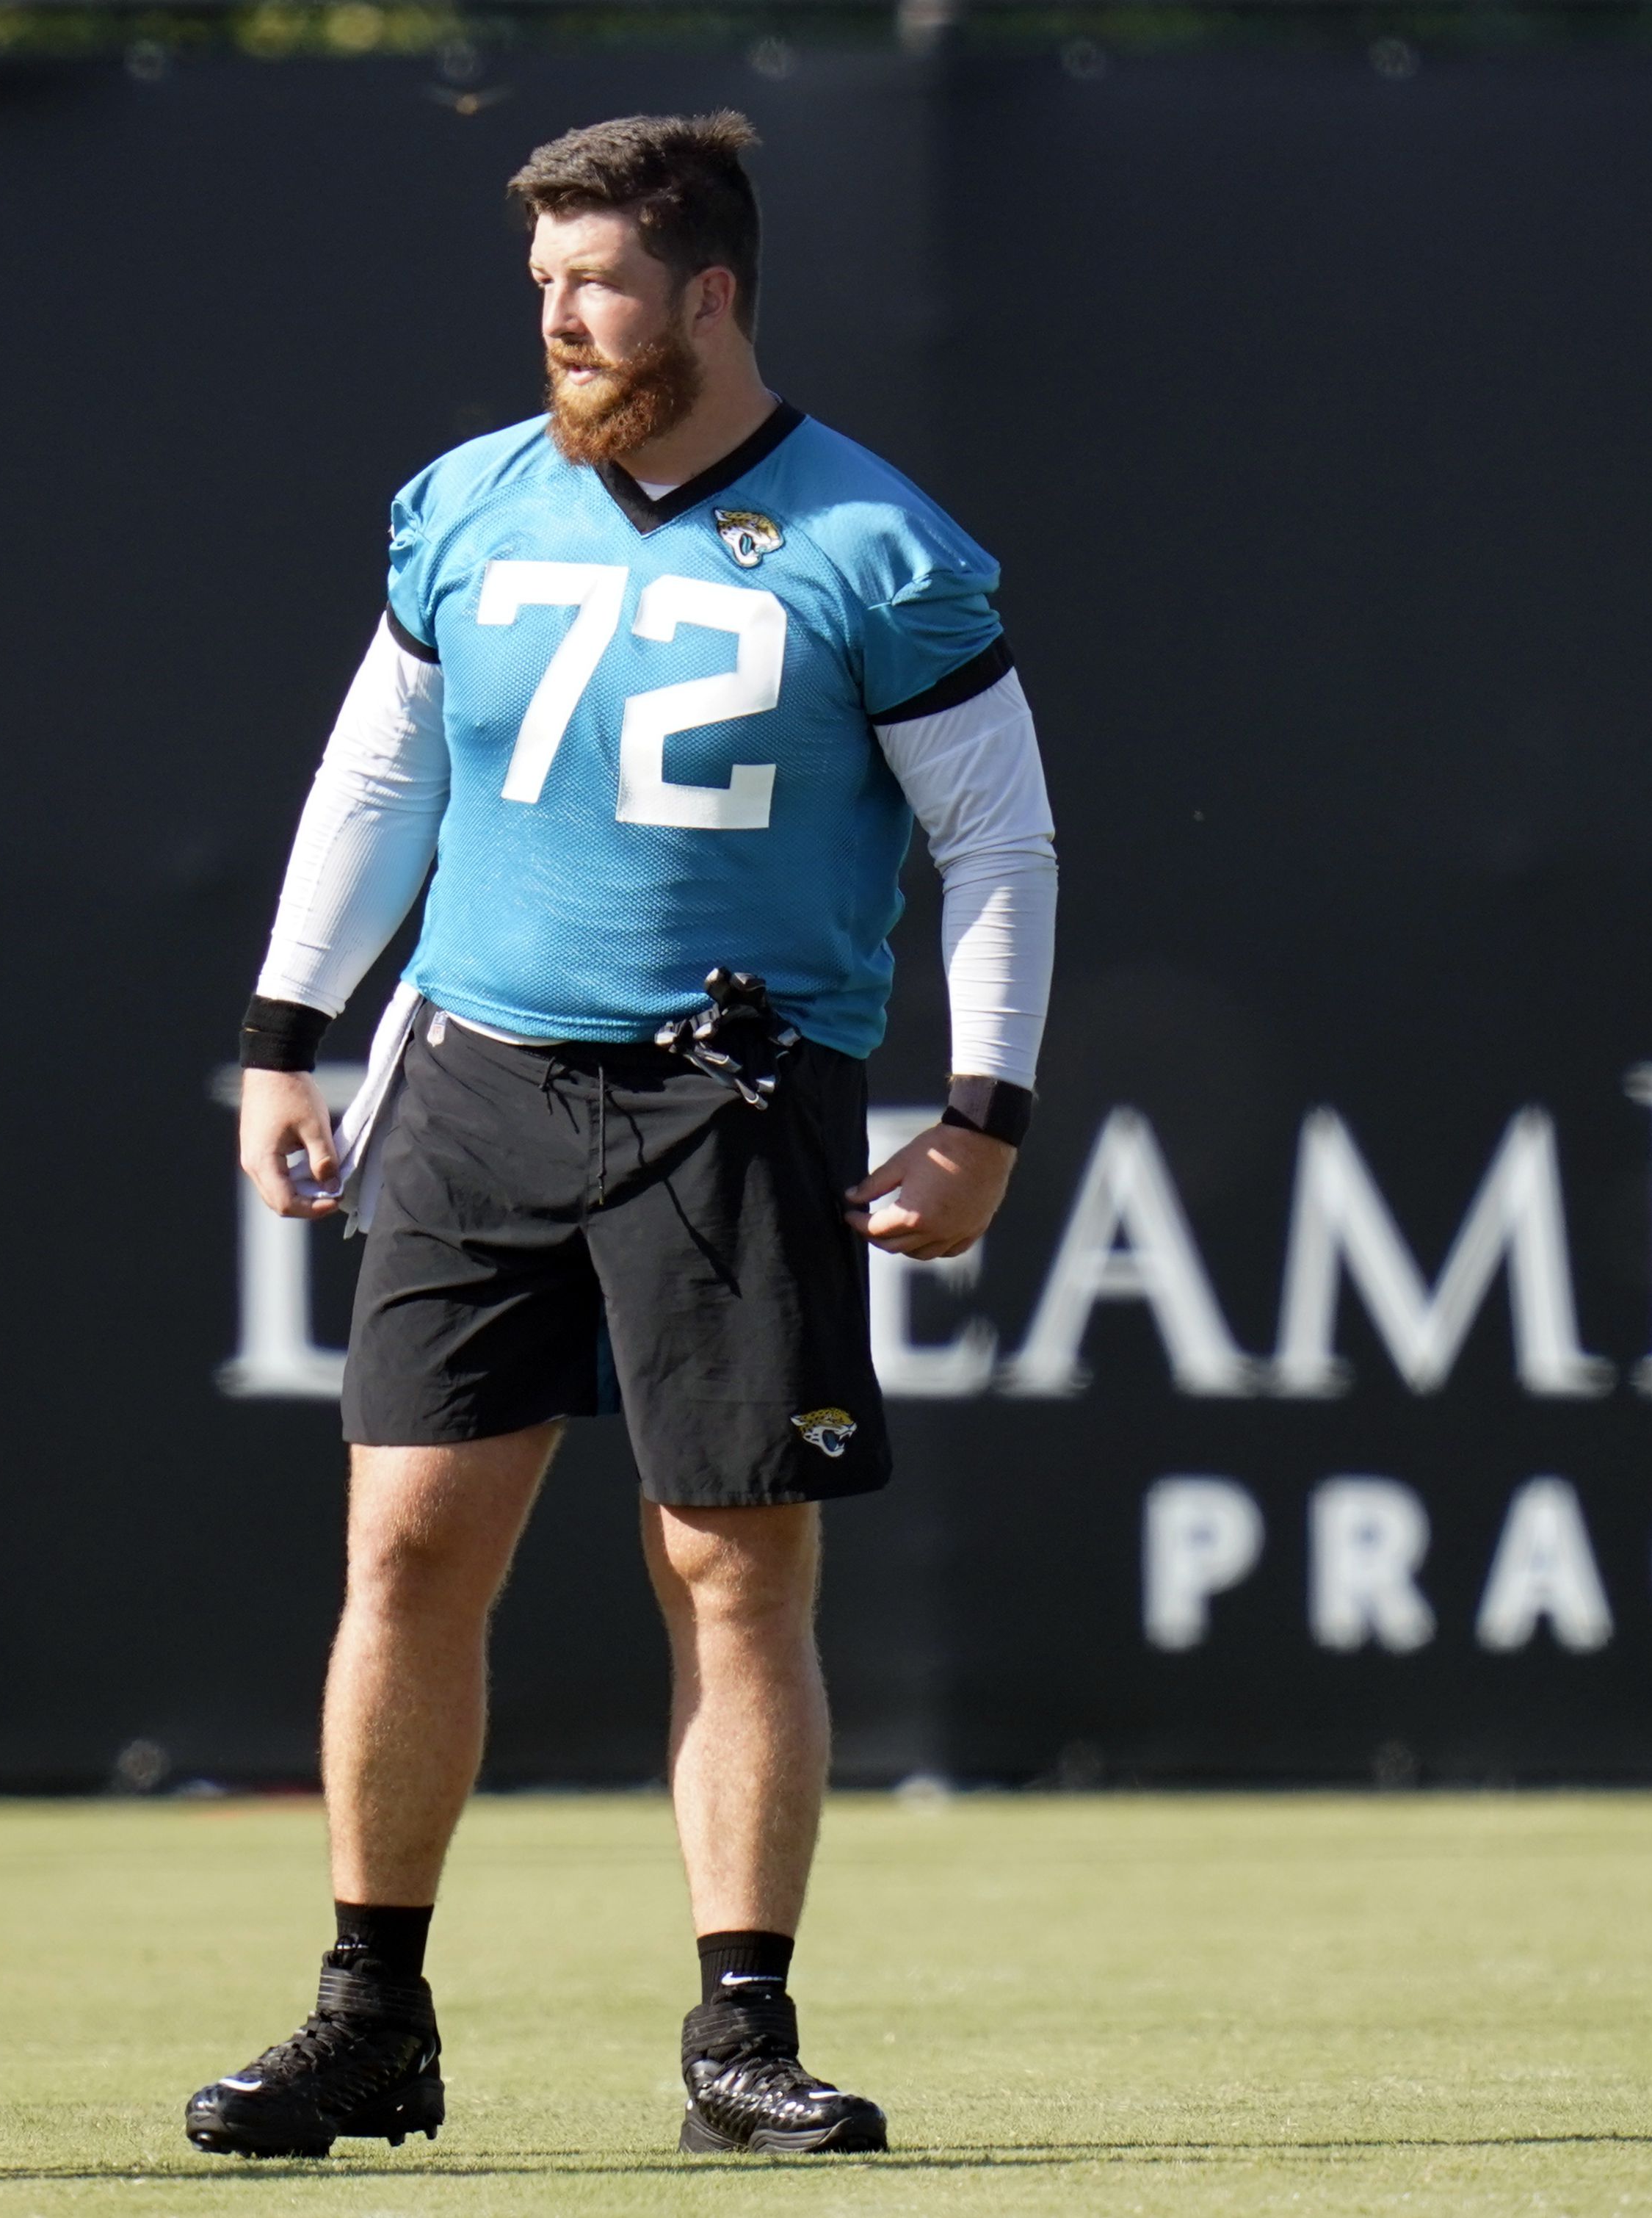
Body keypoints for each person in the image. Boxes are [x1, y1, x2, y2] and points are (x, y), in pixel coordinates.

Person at [186, 109, 1057, 2161]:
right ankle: (368, 2015)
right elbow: (376, 776)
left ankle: (738, 2035)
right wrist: (281, 1033)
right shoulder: (470, 505)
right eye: (542, 289)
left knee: (729, 1567)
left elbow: (996, 841)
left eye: (595, 285)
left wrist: (985, 1109)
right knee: (401, 1547)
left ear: (712, 293)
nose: (561, 321)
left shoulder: (878, 548)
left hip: (729, 1088)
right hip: (477, 1070)